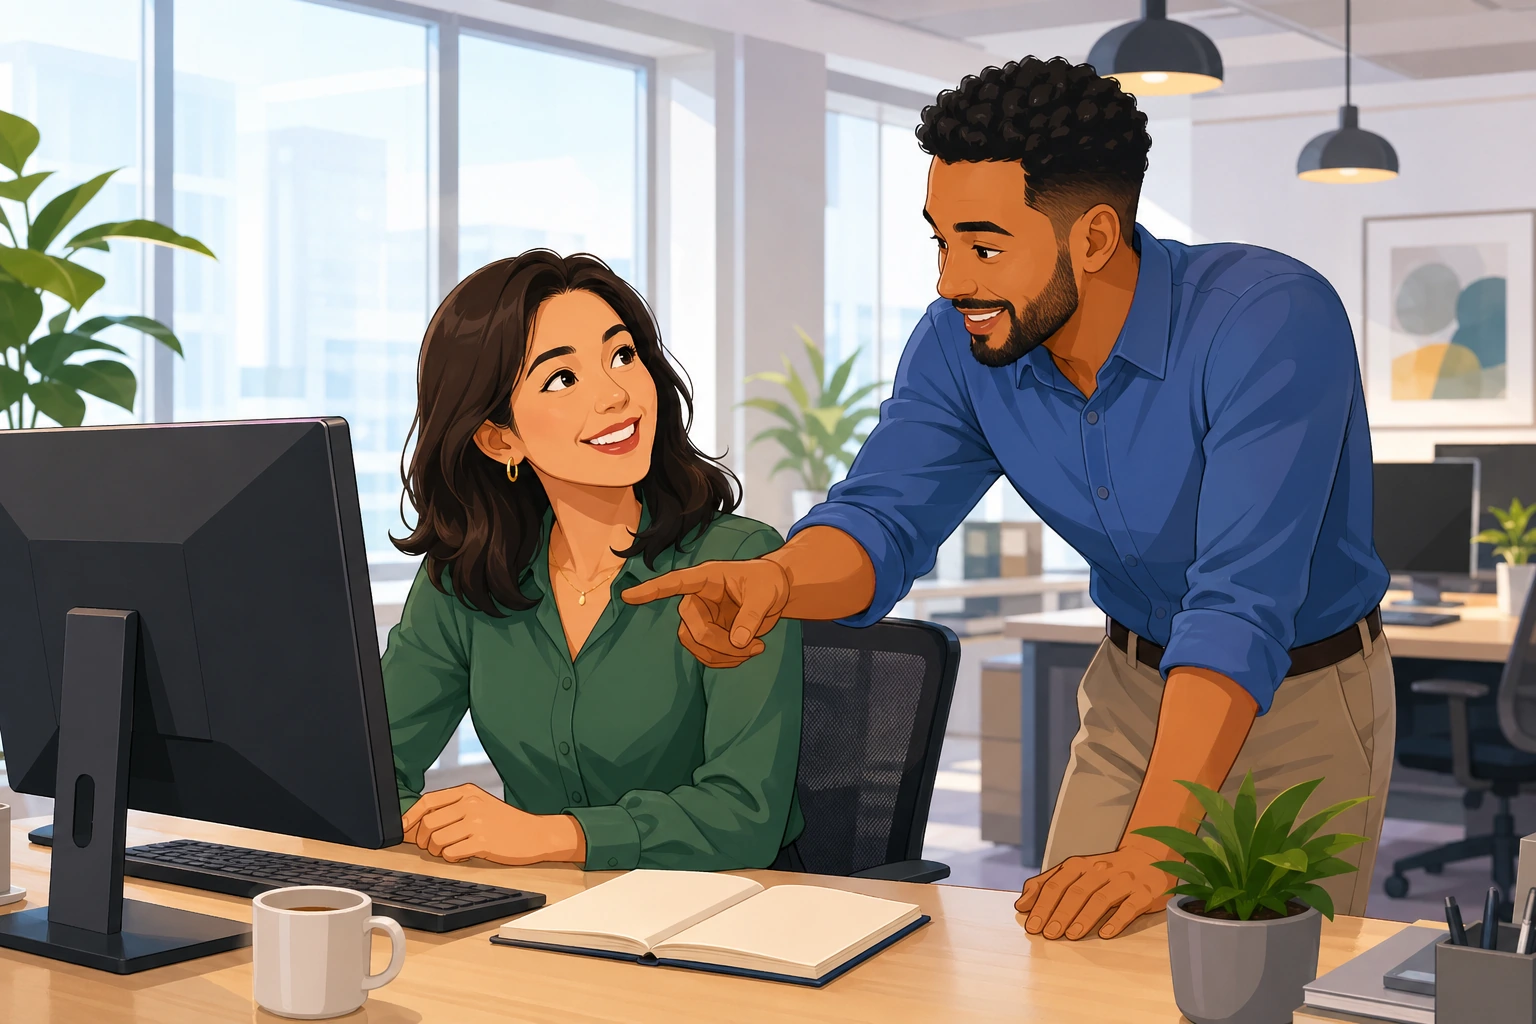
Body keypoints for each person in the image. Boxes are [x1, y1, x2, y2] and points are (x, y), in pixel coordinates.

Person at [624, 57, 1393, 938]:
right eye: (940, 242)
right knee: (1075, 965)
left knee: (1275, 987)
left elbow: (1239, 604)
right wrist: (780, 582)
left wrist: (1151, 854)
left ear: (1095, 239)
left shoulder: (1270, 319)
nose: (952, 281)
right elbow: (882, 516)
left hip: (1303, 697)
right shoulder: (962, 343)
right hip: (1136, 690)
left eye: (984, 247)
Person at [382, 250, 804, 872]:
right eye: (562, 378)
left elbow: (745, 814)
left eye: (622, 356)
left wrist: (551, 837)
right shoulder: (467, 577)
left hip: (718, 923)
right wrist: (434, 828)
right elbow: (371, 769)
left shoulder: (737, 561)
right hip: (538, 915)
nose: (615, 394)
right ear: (501, 438)